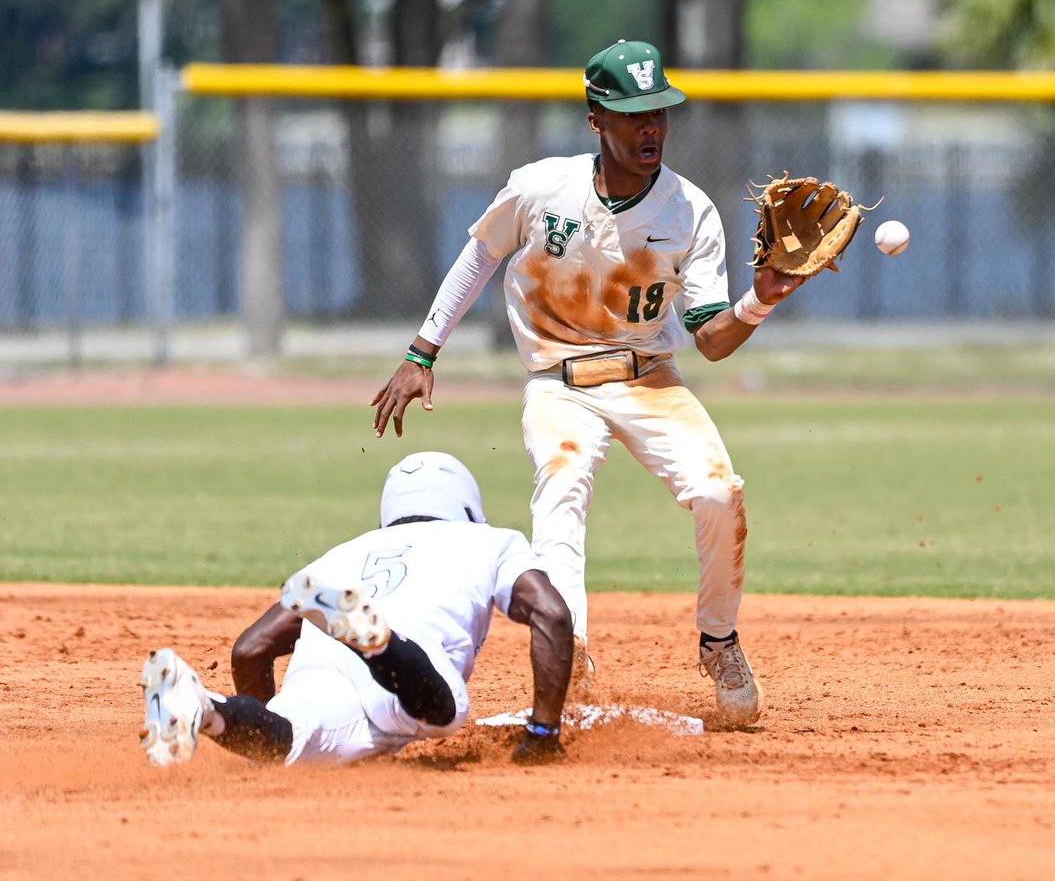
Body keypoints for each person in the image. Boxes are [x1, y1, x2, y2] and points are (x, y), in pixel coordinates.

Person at [371, 40, 804, 727]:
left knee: (721, 493)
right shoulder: (542, 186)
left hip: (650, 377)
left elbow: (712, 341)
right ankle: (565, 658)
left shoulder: (688, 212)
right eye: (633, 115)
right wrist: (422, 351)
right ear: (595, 117)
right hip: (559, 381)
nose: (651, 129)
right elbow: (479, 255)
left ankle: (719, 641)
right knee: (562, 488)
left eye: (659, 112)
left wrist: (763, 299)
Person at [139, 451, 574, 768]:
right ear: (466, 507)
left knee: (290, 740)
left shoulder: (341, 554)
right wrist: (543, 732)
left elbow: (250, 649)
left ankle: (207, 708)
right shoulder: (490, 541)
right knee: (444, 713)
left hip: (323, 659)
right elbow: (552, 614)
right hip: (409, 657)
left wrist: (259, 728)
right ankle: (380, 646)